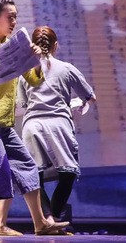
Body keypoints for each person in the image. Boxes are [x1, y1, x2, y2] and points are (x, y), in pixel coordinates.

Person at [0, 0, 69, 237]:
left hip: (4, 123)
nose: (13, 22)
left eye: (15, 18)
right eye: (10, 17)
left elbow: (34, 80)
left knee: (28, 166)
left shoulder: (14, 46)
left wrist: (35, 59)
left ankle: (40, 223)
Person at [18, 26, 96, 225]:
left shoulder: (25, 72)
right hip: (59, 125)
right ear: (56, 45)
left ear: (33, 46)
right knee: (68, 172)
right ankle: (53, 215)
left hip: (33, 126)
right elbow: (90, 96)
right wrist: (76, 103)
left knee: (35, 176)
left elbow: (24, 104)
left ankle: (46, 218)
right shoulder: (66, 68)